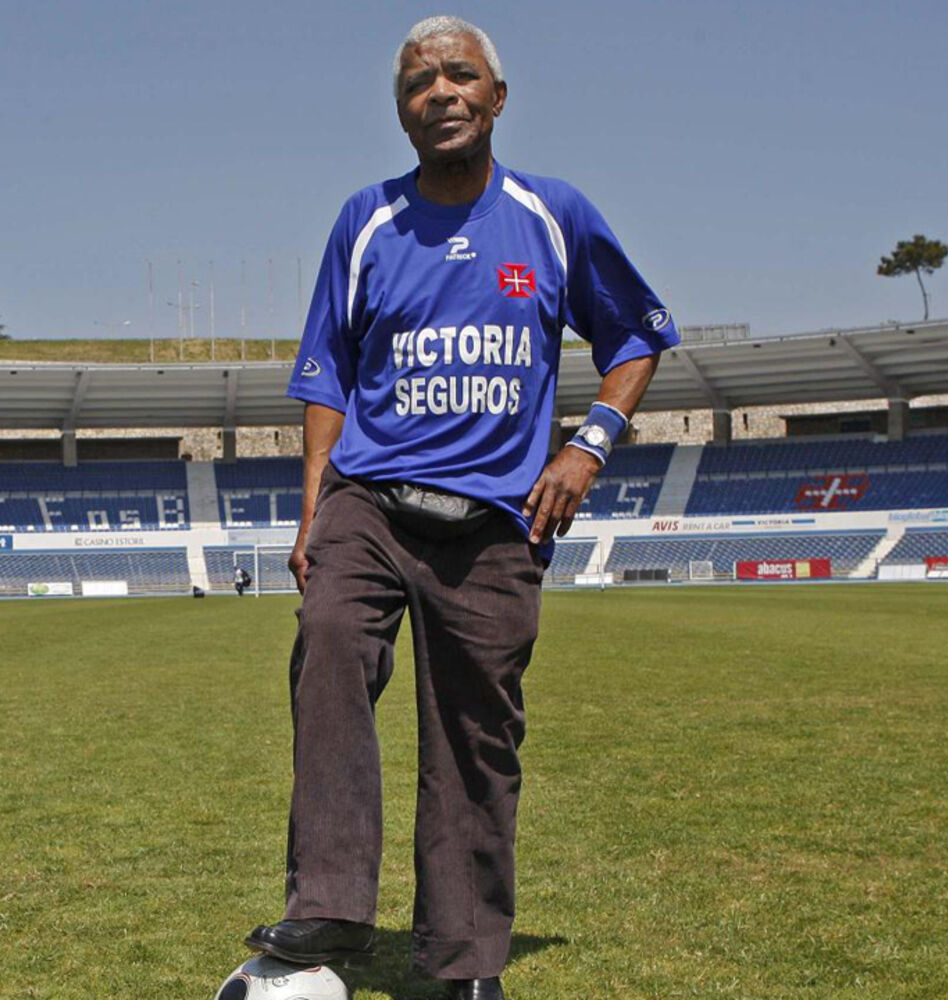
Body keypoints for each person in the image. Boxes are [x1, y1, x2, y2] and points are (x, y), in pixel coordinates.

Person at [243, 16, 680, 1000]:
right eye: (418, 84)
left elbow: (637, 337)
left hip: (496, 519)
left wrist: (587, 446)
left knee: (474, 736)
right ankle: (331, 903)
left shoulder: (552, 214)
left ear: (497, 98)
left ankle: (465, 957)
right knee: (328, 650)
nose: (439, 93)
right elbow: (327, 375)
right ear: (400, 113)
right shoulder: (365, 221)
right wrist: (312, 513)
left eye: (460, 75)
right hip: (368, 498)